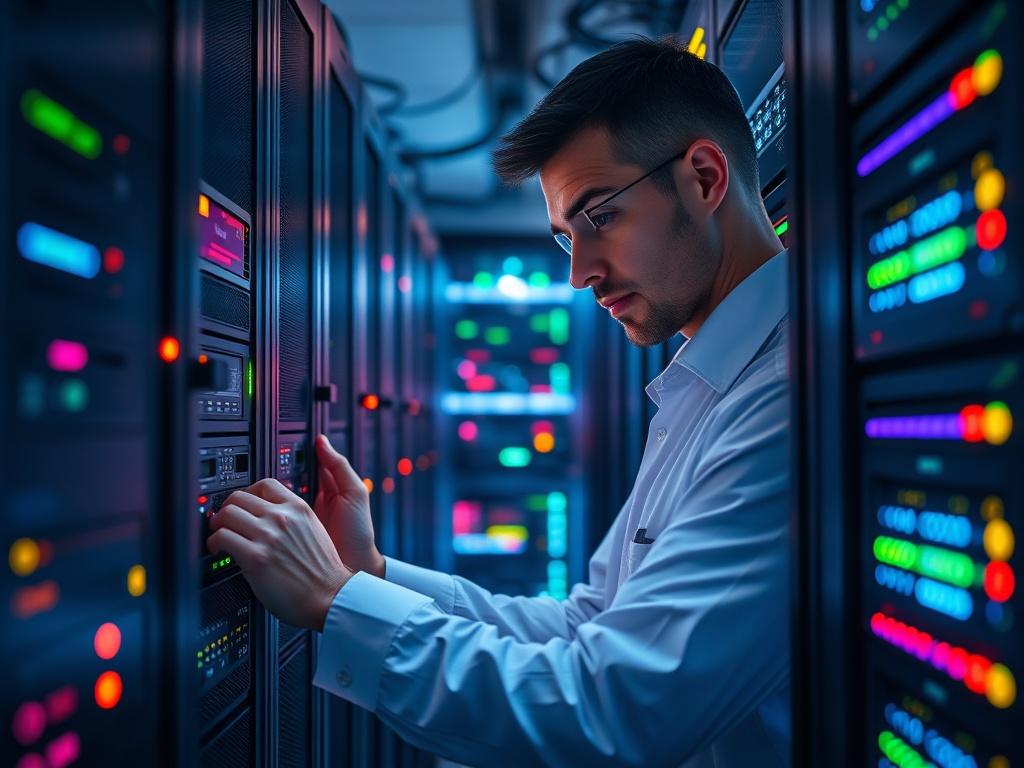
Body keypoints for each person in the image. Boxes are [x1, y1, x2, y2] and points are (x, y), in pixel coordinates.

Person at [207, 36, 790, 767]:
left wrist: (335, 600)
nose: (580, 273)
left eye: (600, 217)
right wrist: (372, 576)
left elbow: (615, 711)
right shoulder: (703, 385)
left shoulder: (784, 404)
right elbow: (590, 624)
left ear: (704, 177)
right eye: (563, 238)